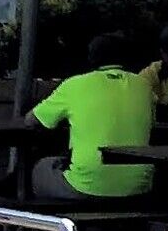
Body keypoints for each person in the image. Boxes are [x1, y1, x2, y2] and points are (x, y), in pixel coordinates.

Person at [30, 35, 157, 202]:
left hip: (86, 185)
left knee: (42, 168)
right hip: (138, 185)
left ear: (91, 58)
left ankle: (30, 221)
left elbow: (32, 120)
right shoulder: (144, 86)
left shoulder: (75, 85)